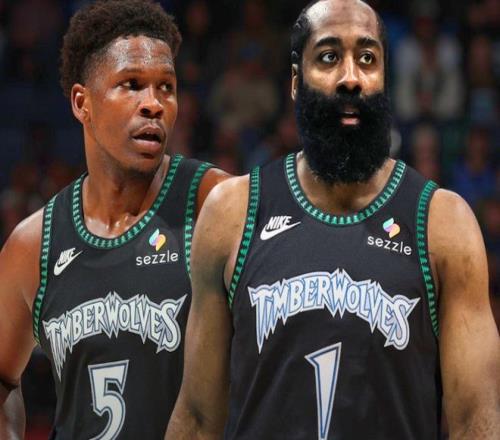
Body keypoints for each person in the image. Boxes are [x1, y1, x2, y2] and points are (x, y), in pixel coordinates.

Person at [166, 1, 500, 439]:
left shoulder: (443, 222)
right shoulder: (232, 212)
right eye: (328, 57)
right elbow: (197, 418)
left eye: (368, 58)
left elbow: (475, 421)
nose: (350, 77)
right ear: (295, 81)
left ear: (385, 78)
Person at [0, 0, 228, 438]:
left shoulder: (214, 204)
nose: (154, 104)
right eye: (132, 84)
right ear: (82, 103)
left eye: (166, 87)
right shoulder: (36, 243)